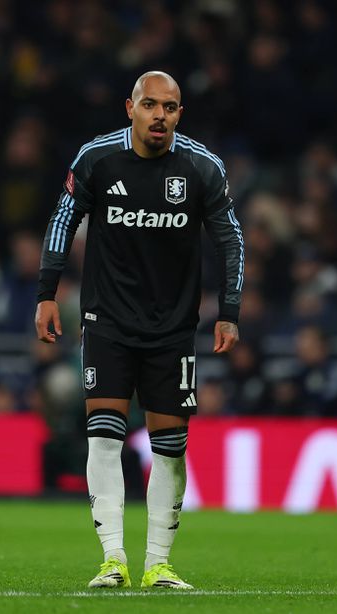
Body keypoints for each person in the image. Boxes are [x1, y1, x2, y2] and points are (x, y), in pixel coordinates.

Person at [34, 71, 243, 590]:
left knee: (171, 444)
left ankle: (159, 564)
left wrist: (231, 309)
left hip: (173, 328)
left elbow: (230, 239)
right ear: (130, 107)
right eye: (150, 105)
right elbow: (63, 219)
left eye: (169, 108)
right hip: (106, 320)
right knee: (104, 435)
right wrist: (46, 293)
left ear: (179, 114)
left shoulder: (201, 167)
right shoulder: (98, 158)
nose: (159, 116)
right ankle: (112, 559)